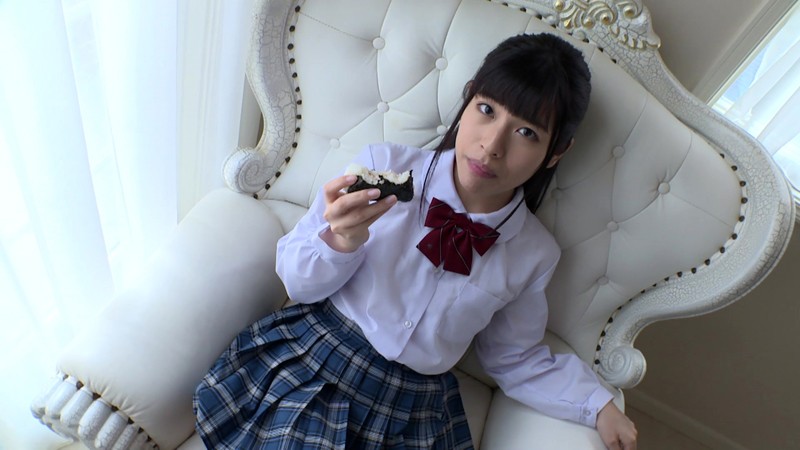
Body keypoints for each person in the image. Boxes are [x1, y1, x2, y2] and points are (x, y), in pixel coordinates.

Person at [194, 32, 638, 449]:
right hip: (319, 359)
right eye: (487, 110)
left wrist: (598, 406)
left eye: (527, 133)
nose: (492, 145)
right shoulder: (381, 168)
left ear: (555, 152)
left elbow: (515, 358)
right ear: (468, 98)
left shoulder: (534, 254)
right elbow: (297, 283)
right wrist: (342, 239)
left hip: (411, 409)